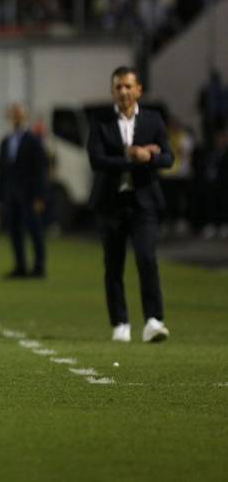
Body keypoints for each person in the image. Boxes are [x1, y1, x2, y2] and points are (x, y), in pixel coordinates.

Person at [87, 67, 173, 343]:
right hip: (111, 202)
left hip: (143, 202)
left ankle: (153, 321)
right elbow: (96, 160)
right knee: (113, 264)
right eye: (118, 87)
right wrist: (131, 156)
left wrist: (149, 157)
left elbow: (168, 157)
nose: (123, 91)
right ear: (112, 91)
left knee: (147, 258)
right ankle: (120, 323)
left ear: (139, 90)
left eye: (128, 86)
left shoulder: (153, 119)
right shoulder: (100, 121)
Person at [0, 103, 48, 278]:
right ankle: (20, 266)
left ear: (25, 117)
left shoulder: (33, 140)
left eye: (19, 114)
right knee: (15, 232)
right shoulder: (5, 142)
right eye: (13, 115)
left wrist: (40, 197)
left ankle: (39, 267)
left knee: (35, 231)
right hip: (11, 195)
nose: (16, 118)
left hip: (30, 195)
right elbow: (2, 172)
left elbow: (40, 171)